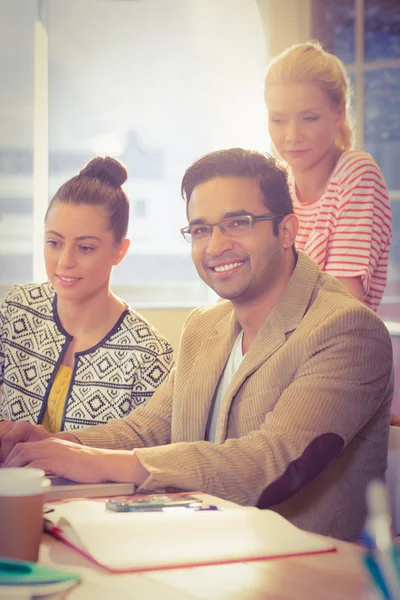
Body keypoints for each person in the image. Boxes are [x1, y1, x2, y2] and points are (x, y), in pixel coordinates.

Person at [0, 149, 393, 542]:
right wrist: (52, 444)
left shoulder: (345, 328)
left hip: (304, 575)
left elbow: (271, 462)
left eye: (237, 223)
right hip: (197, 556)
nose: (216, 245)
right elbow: (149, 429)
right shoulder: (204, 326)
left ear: (287, 231)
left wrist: (107, 463)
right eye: (201, 229)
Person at [0, 156, 173, 433]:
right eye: (54, 242)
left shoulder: (149, 355)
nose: (64, 261)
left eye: (86, 248)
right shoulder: (18, 308)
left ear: (120, 251)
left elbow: (146, 455)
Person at [264, 40, 392, 313]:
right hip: (277, 346)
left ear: (339, 112)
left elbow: (339, 307)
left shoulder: (356, 174)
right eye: (278, 120)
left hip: (335, 350)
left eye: (309, 118)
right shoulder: (277, 184)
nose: (292, 136)